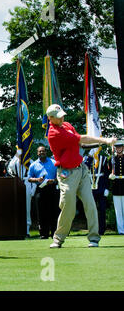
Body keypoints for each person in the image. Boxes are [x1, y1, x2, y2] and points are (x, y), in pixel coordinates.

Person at [45, 104, 116, 248]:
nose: (62, 118)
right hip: (66, 174)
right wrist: (105, 140)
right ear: (50, 118)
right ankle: (58, 239)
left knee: (90, 204)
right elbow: (80, 139)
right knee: (68, 207)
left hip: (81, 170)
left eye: (62, 115)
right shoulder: (54, 133)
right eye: (58, 117)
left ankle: (94, 238)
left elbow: (79, 145)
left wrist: (97, 144)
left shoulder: (67, 125)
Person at [28, 146, 59, 239]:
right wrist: (37, 179)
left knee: (54, 212)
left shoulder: (54, 163)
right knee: (42, 212)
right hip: (40, 190)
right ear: (37, 153)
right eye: (40, 151)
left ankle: (54, 233)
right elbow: (29, 178)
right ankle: (43, 233)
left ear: (46, 152)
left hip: (52, 189)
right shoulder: (33, 165)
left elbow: (60, 176)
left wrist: (53, 180)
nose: (42, 153)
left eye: (44, 151)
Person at [8, 149, 36, 237]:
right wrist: (17, 155)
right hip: (17, 183)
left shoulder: (31, 162)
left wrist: (33, 190)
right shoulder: (15, 162)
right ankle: (17, 229)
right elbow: (10, 168)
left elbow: (35, 175)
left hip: (28, 183)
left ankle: (27, 230)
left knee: (27, 208)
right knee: (16, 207)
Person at [84, 150, 110, 235]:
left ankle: (101, 230)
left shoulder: (104, 159)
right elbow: (85, 169)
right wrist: (89, 158)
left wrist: (107, 188)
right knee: (91, 210)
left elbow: (106, 174)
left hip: (101, 187)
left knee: (102, 209)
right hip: (90, 188)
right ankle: (92, 230)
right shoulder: (86, 159)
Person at [109, 140, 124, 234]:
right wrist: (111, 175)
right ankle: (121, 230)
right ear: (115, 148)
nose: (118, 149)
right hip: (116, 186)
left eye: (120, 147)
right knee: (118, 211)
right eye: (117, 147)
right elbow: (108, 171)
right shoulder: (112, 159)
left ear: (123, 148)